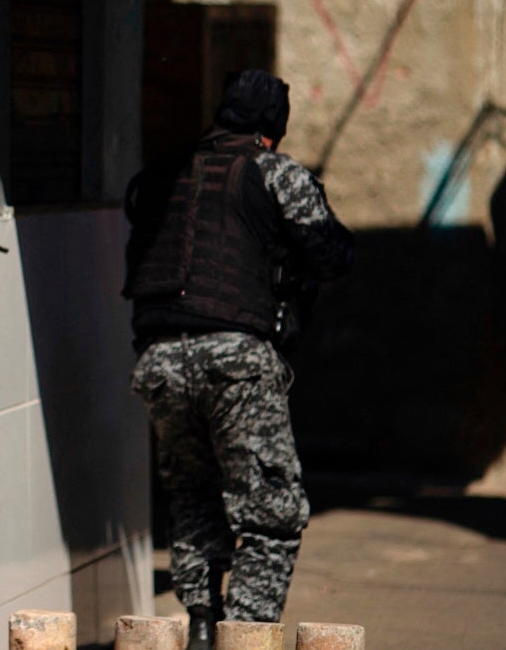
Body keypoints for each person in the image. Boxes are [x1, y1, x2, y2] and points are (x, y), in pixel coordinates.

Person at [122, 70, 354, 650]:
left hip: (158, 360)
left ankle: (201, 625)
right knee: (271, 509)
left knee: (193, 493)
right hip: (237, 359)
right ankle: (245, 635)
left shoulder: (161, 175)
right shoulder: (273, 171)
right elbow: (332, 254)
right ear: (272, 130)